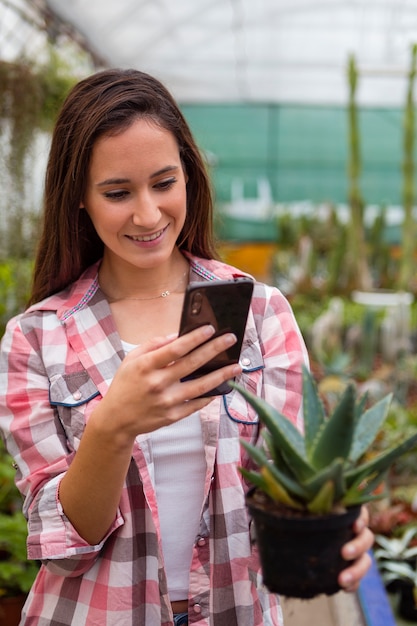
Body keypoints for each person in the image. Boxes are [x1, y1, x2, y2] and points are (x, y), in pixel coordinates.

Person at [0, 68, 373, 626]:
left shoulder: (258, 313)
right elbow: (66, 551)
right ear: (78, 197)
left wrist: (337, 526)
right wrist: (112, 426)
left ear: (189, 178)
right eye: (118, 192)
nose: (148, 215)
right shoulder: (37, 337)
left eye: (164, 182)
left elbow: (291, 477)